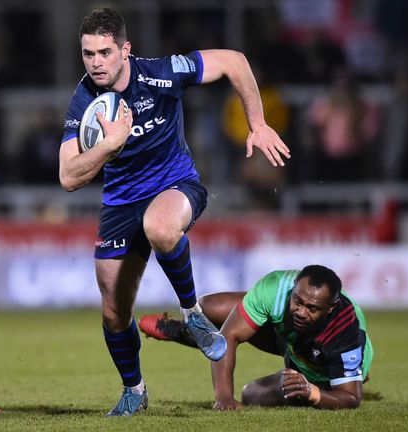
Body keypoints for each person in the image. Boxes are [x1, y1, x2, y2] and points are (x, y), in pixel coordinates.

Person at [58, 8, 290, 416]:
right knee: (114, 312)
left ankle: (192, 314)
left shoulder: (163, 73)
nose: (96, 62)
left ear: (125, 50)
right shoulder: (85, 101)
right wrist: (109, 146)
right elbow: (68, 175)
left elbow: (234, 61)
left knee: (160, 226)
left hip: (175, 186)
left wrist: (257, 122)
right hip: (119, 203)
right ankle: (135, 390)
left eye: (105, 52)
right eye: (88, 53)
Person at [139, 265, 373, 411]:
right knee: (208, 307)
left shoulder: (346, 327)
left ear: (330, 308)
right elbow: (228, 335)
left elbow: (350, 397)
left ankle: (356, 371)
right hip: (287, 338)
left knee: (251, 394)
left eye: (312, 308)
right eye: (298, 301)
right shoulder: (276, 288)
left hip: (316, 364)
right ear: (293, 288)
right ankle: (182, 330)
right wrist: (224, 398)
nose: (301, 311)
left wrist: (312, 392)